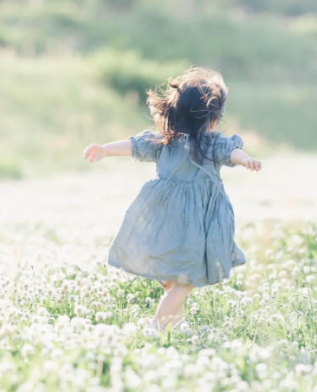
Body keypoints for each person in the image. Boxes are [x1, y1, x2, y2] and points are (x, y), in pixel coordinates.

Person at [83, 67, 261, 334]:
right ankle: (156, 324)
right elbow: (231, 151)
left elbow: (134, 145)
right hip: (194, 224)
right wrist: (245, 158)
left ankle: (174, 322)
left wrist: (106, 149)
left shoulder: (167, 140)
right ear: (212, 118)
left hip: (164, 218)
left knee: (174, 277)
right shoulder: (205, 143)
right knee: (187, 277)